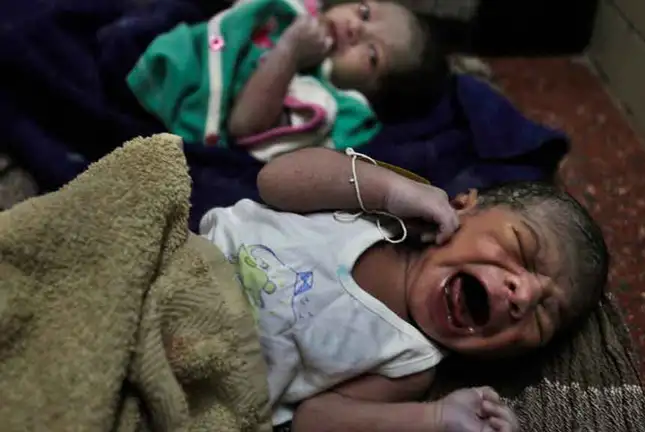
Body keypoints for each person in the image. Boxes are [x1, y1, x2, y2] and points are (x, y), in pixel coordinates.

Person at [200, 147, 610, 431]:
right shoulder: (372, 212)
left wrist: (435, 419)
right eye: (522, 247)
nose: (523, 295)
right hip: (187, 263)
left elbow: (312, 420)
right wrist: (390, 189)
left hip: (208, 373)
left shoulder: (411, 363)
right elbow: (274, 180)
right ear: (463, 206)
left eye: (542, 317)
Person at [127, 0, 447, 161]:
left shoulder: (325, 101)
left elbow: (245, 126)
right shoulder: (303, 12)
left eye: (372, 54)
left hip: (172, 98)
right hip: (168, 44)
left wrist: (289, 53)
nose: (355, 27)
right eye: (364, 12)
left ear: (373, 93)